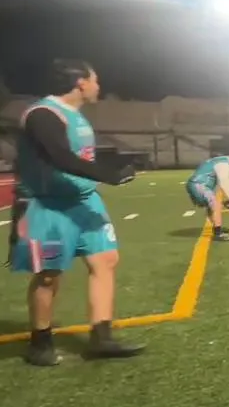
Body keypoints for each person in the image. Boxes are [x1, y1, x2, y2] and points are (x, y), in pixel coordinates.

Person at [10, 59, 140, 366]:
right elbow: (60, 156)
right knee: (48, 275)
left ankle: (102, 338)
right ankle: (40, 342)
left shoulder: (75, 115)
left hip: (85, 201)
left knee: (105, 260)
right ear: (81, 83)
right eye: (95, 80)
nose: (98, 86)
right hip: (48, 205)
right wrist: (109, 174)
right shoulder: (43, 114)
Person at [186, 154, 229, 242]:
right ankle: (218, 233)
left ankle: (217, 228)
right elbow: (225, 182)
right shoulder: (224, 164)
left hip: (197, 184)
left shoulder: (220, 160)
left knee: (212, 206)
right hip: (199, 184)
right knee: (216, 205)